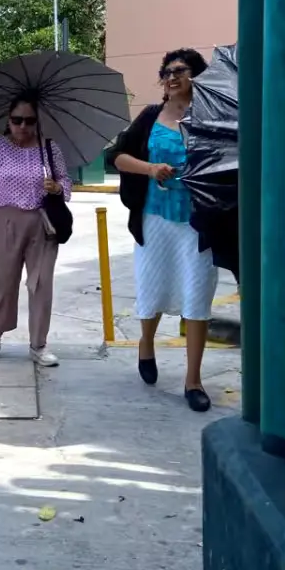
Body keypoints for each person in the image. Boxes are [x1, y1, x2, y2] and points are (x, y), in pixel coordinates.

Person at [110, 48, 220, 413]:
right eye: (167, 72)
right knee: (152, 288)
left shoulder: (212, 118)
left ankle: (193, 381)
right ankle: (146, 342)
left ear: (196, 77)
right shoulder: (151, 117)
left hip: (197, 222)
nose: (172, 77)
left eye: (180, 70)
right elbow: (119, 158)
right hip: (154, 219)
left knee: (197, 294)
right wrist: (151, 168)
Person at [0, 93, 69, 367]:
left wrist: (57, 187)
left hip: (41, 224)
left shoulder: (49, 149)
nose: (23, 126)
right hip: (5, 222)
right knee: (3, 284)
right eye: (17, 120)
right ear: (8, 120)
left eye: (29, 121)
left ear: (37, 122)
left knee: (41, 284)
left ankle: (38, 345)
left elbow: (65, 181)